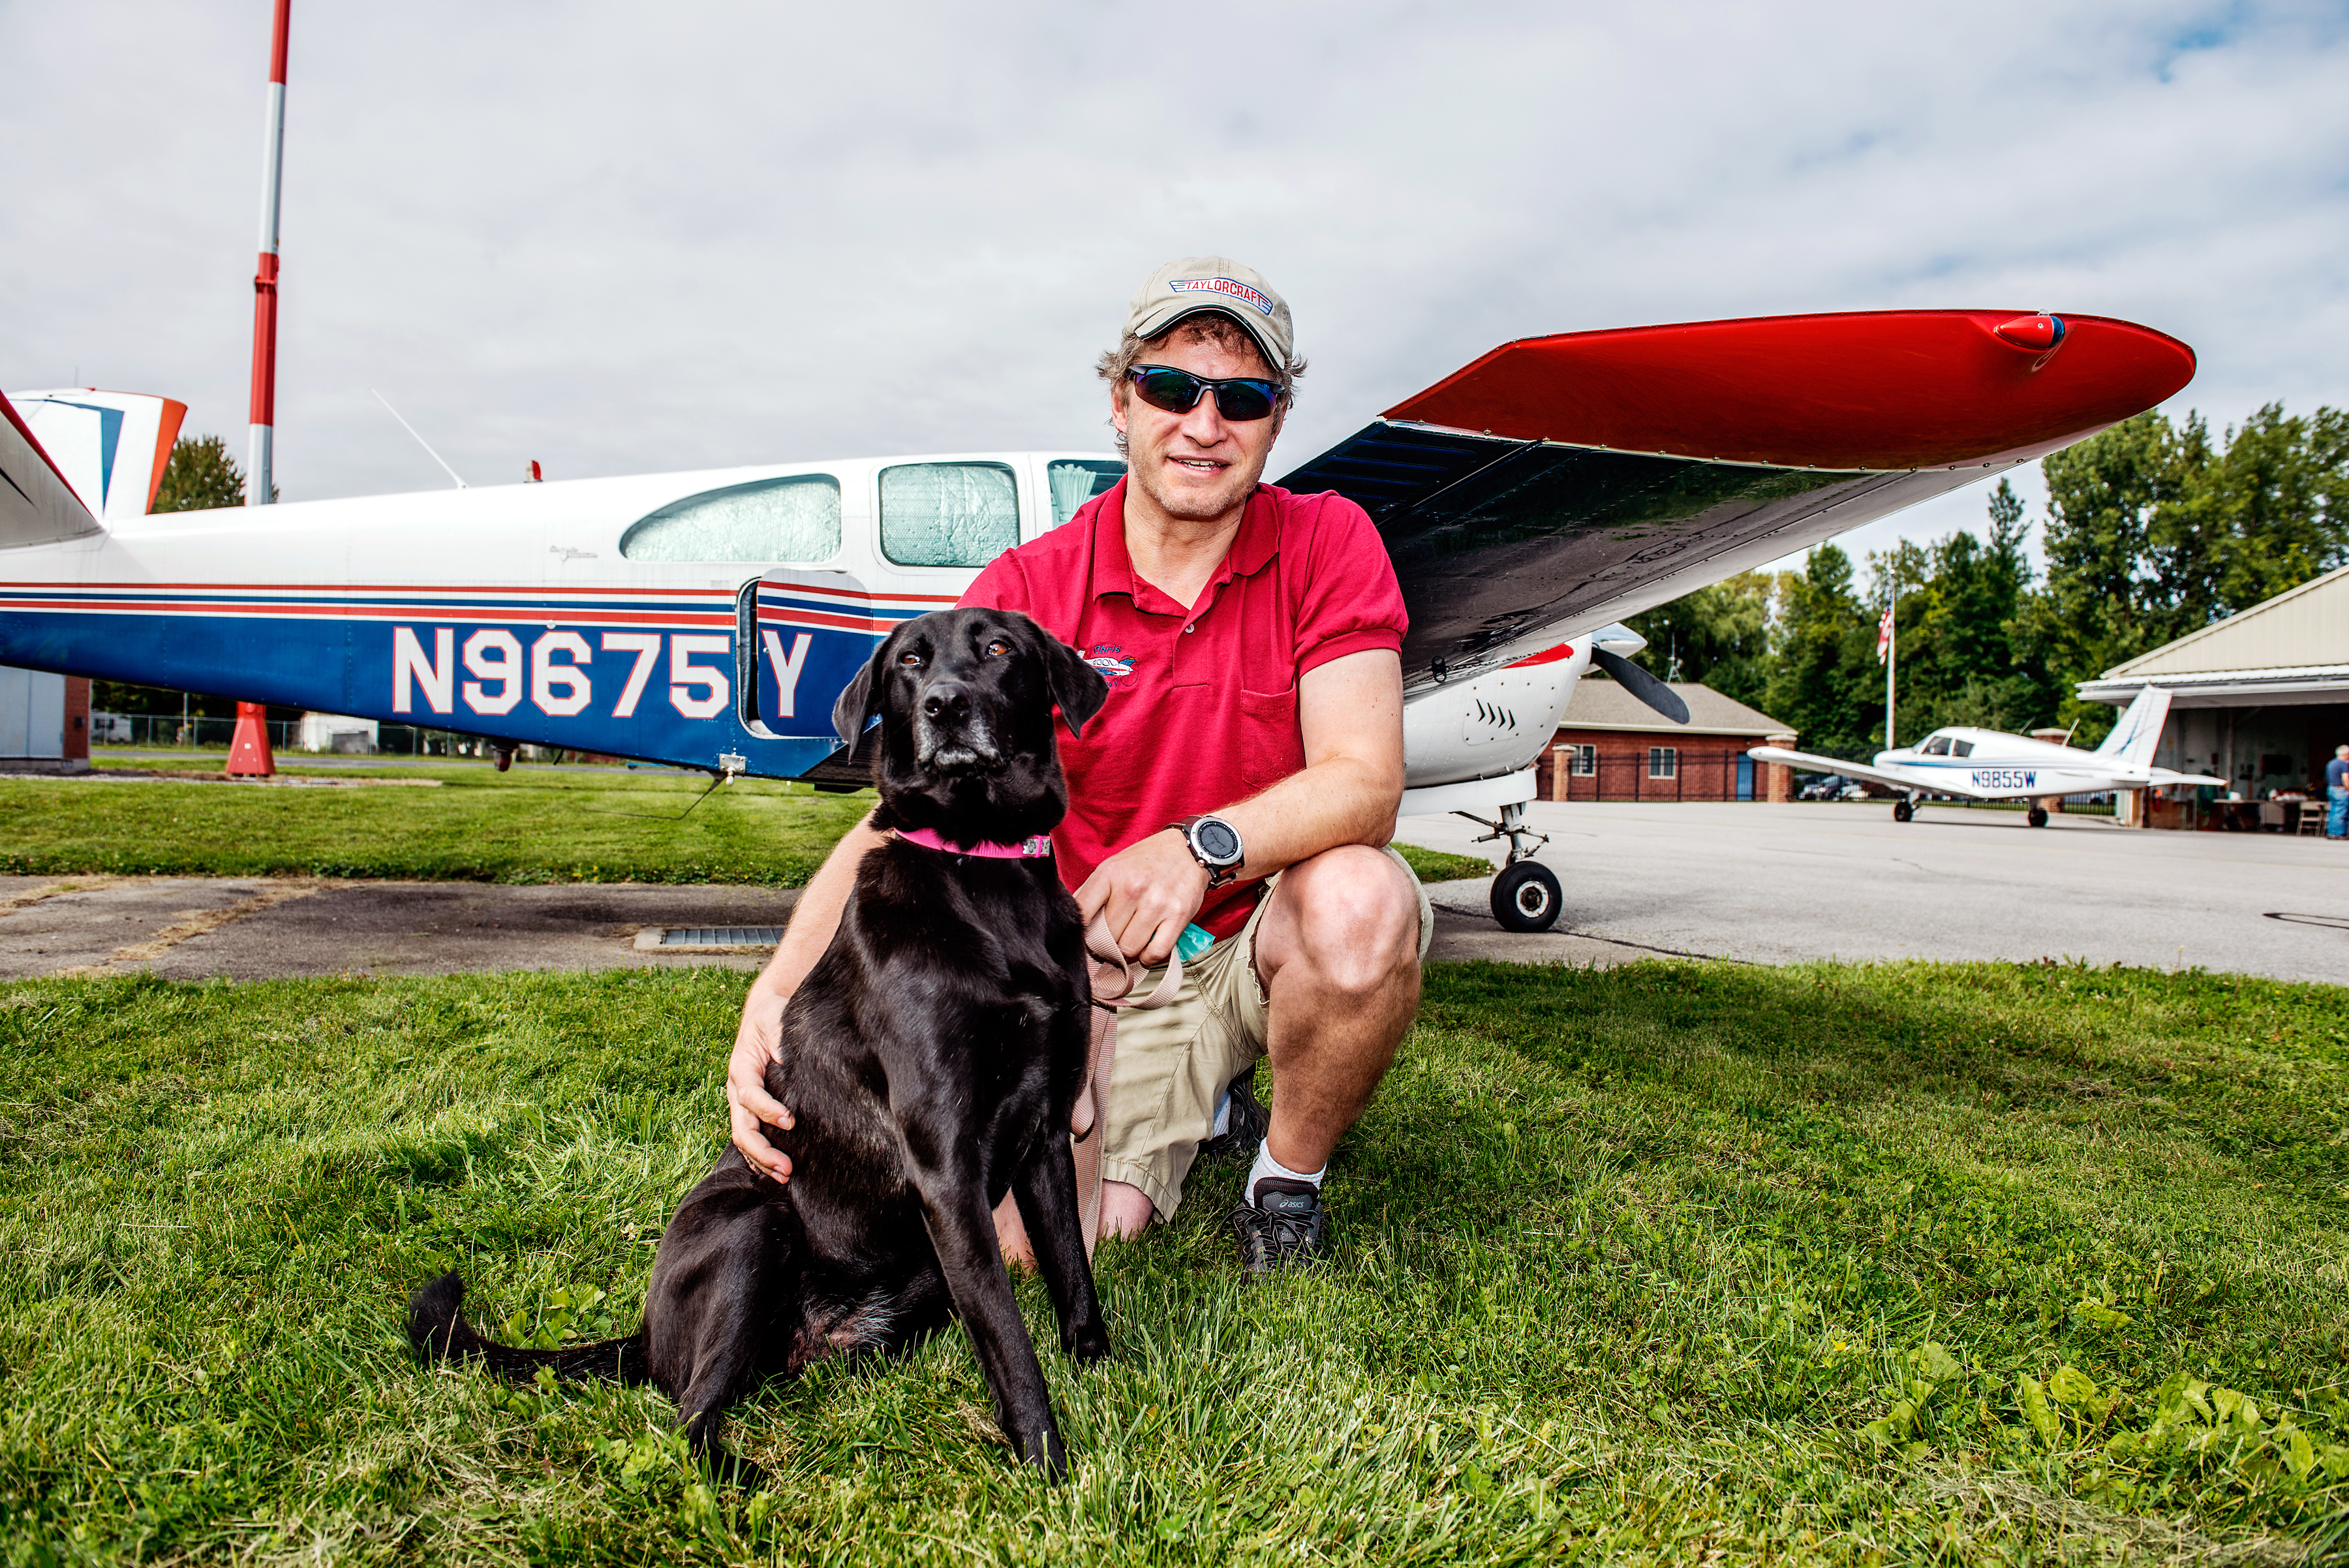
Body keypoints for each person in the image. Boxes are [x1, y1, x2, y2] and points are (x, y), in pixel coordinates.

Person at [724, 257, 1430, 1272]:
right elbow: (913, 817)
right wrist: (779, 992)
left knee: (1362, 899)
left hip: (1253, 932)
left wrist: (1202, 847)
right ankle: (1193, 1099)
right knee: (1045, 1246)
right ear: (1120, 401)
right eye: (1170, 387)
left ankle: (1286, 1178)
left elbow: (1367, 780)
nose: (1203, 421)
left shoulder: (1331, 540)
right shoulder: (1026, 590)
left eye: (1242, 397)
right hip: (1093, 959)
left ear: (1276, 421)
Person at [2328, 744, 2349, 839]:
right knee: (2341, 812)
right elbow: (2345, 778)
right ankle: (2339, 833)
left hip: (2331, 789)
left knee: (2333, 811)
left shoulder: (2331, 763)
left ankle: (2331, 832)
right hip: (2340, 790)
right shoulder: (2344, 764)